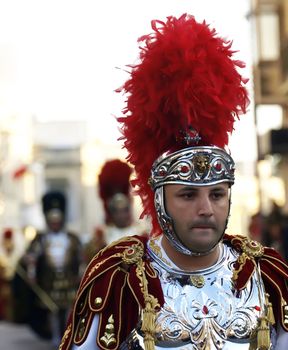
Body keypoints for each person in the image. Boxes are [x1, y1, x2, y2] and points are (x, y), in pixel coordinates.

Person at [59, 14, 288, 350]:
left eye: (217, 194)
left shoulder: (266, 275)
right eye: (187, 195)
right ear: (161, 199)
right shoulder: (119, 280)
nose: (206, 209)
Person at [22, 190, 83, 347]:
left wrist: (81, 274)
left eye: (57, 221)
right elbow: (31, 258)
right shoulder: (41, 238)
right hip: (50, 280)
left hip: (68, 279)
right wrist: (31, 273)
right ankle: (56, 336)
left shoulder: (71, 238)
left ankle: (69, 336)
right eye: (52, 221)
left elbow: (81, 258)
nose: (55, 223)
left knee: (70, 309)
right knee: (53, 310)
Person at [83, 159, 148, 264]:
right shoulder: (101, 235)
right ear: (111, 212)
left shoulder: (142, 232)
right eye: (116, 211)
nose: (121, 215)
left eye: (124, 211)